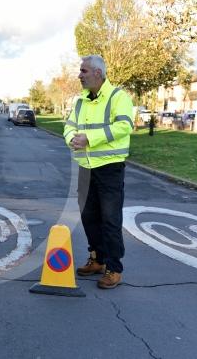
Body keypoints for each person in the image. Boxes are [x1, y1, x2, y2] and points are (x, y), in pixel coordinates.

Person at [63, 55, 133, 289]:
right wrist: (71, 139)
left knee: (110, 220)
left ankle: (114, 268)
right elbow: (69, 126)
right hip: (85, 168)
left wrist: (89, 138)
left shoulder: (118, 97)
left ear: (98, 73)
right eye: (80, 71)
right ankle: (98, 259)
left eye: (83, 71)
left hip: (110, 168)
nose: (79, 75)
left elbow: (124, 126)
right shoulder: (80, 101)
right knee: (88, 217)